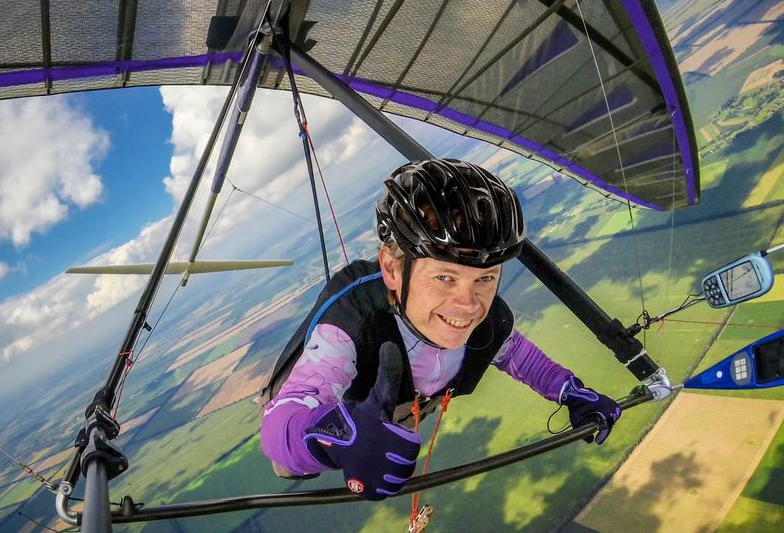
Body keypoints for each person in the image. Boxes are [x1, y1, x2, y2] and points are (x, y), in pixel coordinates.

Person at [259, 158, 621, 500]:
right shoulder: (354, 321)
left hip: (411, 400)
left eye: (485, 278)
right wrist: (337, 436)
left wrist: (572, 394)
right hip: (349, 408)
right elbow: (281, 422)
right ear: (393, 269)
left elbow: (517, 355)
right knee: (292, 467)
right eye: (444, 277)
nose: (468, 304)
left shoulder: (487, 318)